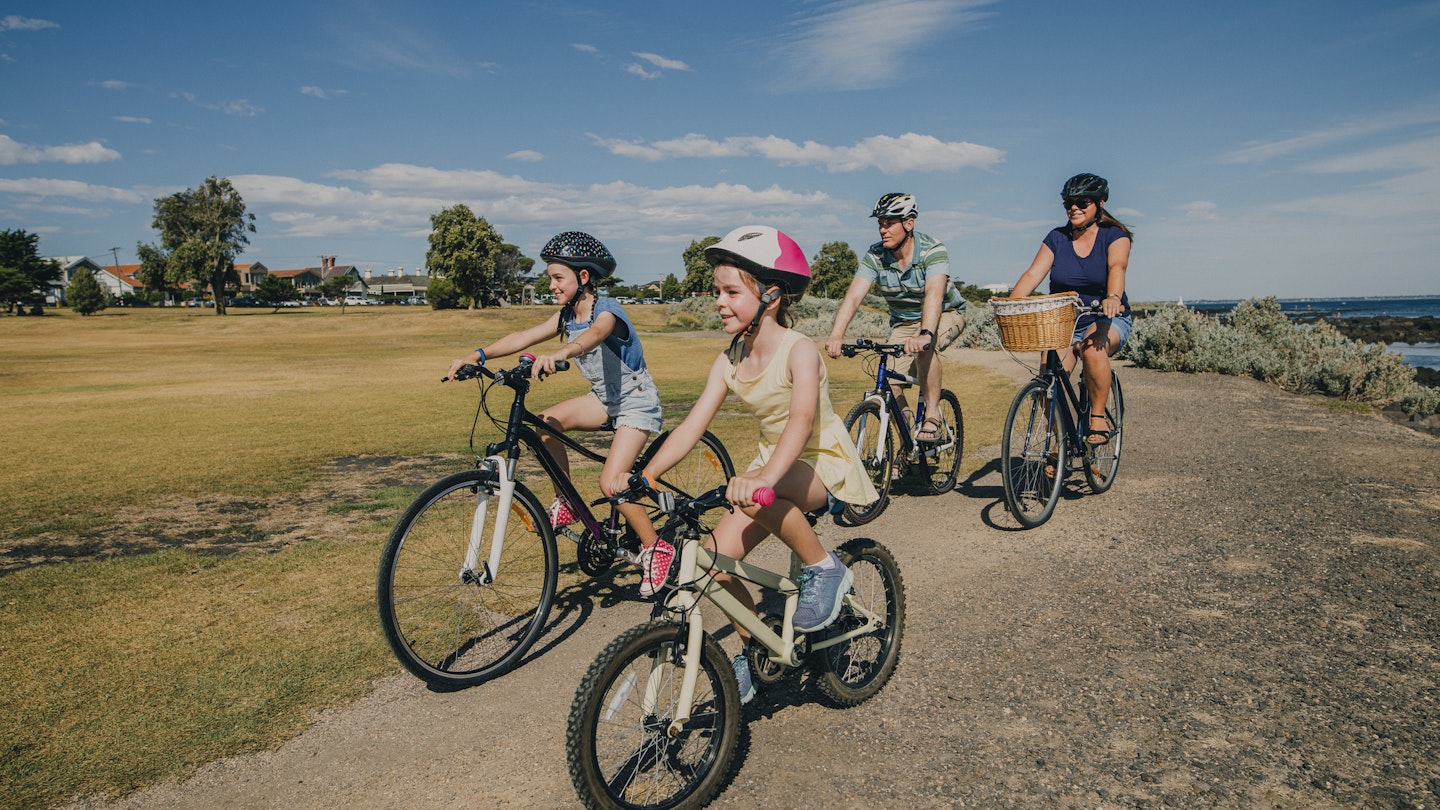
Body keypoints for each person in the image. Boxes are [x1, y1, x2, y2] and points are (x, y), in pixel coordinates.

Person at [639, 225, 879, 705]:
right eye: (717, 292)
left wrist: (765, 477)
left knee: (759, 495)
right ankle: (754, 651)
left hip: (819, 462)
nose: (720, 303)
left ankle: (825, 567)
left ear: (771, 295)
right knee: (714, 565)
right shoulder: (729, 358)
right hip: (771, 468)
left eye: (731, 292)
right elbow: (691, 426)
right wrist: (645, 473)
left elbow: (802, 419)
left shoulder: (800, 350)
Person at [444, 231, 673, 597]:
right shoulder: (566, 314)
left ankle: (655, 547)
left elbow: (595, 335)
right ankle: (565, 500)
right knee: (546, 423)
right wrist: (479, 355)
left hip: (635, 402)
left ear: (583, 277)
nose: (550, 284)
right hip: (603, 398)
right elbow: (525, 336)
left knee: (612, 483)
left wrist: (562, 354)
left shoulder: (607, 310)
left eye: (557, 277)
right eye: (550, 277)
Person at [825, 193, 967, 444]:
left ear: (909, 224)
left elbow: (933, 295)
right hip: (903, 323)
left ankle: (932, 414)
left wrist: (925, 333)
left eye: (889, 223)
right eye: (880, 223)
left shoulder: (932, 250)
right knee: (890, 381)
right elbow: (854, 297)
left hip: (945, 313)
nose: (882, 229)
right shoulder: (876, 255)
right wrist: (837, 334)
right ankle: (908, 433)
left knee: (925, 349)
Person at [1006, 172, 1133, 450]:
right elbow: (1032, 275)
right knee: (1048, 377)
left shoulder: (1115, 235)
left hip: (1106, 316)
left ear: (1099, 204)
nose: (1073, 207)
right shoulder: (1057, 238)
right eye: (1068, 203)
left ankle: (1097, 417)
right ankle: (1058, 442)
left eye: (1082, 202)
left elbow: (1117, 268)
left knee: (1091, 349)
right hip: (1064, 320)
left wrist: (1112, 297)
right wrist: (1012, 304)